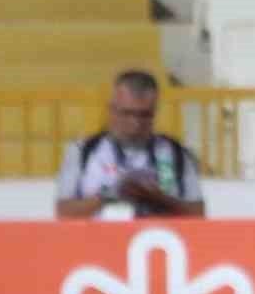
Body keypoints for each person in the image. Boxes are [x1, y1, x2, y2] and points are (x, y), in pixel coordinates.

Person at [55, 70, 205, 219]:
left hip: (154, 240)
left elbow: (198, 213)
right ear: (111, 110)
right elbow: (64, 212)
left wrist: (160, 199)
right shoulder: (83, 151)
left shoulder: (176, 153)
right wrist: (108, 196)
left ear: (154, 112)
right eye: (127, 113)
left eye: (144, 115)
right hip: (98, 240)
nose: (136, 123)